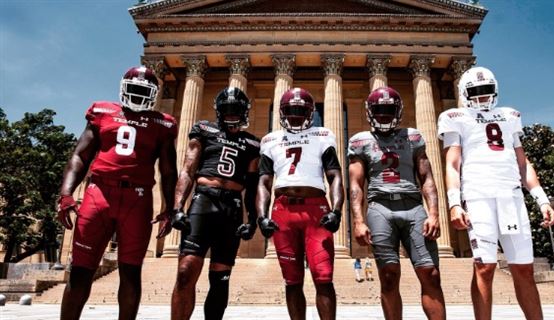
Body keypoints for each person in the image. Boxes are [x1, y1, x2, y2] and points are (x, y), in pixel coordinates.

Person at [56, 66, 178, 320]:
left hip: (138, 197)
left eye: (143, 91)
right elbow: (80, 156)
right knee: (80, 271)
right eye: (133, 89)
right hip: (99, 192)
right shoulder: (102, 112)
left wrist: (170, 209)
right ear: (123, 88)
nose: (137, 96)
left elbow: (169, 172)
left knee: (131, 272)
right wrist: (66, 194)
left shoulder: (162, 124)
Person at [438, 66, 554, 320]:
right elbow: (452, 163)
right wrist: (454, 203)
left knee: (524, 269)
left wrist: (542, 199)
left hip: (511, 195)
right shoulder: (455, 116)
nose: (481, 97)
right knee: (484, 266)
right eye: (475, 92)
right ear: (464, 93)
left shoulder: (509, 115)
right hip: (479, 195)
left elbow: (523, 163)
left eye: (486, 92)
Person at [348, 87, 446, 320]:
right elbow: (355, 185)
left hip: (413, 206)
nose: (384, 115)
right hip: (380, 207)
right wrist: (358, 220)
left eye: (389, 110)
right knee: (389, 276)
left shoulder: (413, 137)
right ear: (370, 112)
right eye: (379, 110)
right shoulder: (360, 141)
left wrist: (434, 213)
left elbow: (427, 177)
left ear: (398, 111)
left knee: (430, 273)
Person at [169, 87, 261, 320]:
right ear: (219, 111)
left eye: (236, 110)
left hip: (232, 207)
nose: (231, 114)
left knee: (220, 279)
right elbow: (188, 170)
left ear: (244, 112)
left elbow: (252, 186)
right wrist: (177, 208)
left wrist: (252, 219)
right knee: (185, 270)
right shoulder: (203, 129)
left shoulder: (252, 143)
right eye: (227, 110)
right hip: (204, 200)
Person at [256, 87, 344, 320]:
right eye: (291, 110)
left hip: (316, 209)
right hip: (283, 210)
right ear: (282, 112)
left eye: (300, 110)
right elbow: (264, 183)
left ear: (311, 113)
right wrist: (262, 216)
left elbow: (335, 175)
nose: (295, 115)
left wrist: (337, 211)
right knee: (292, 280)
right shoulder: (269, 140)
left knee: (323, 277)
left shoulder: (323, 134)